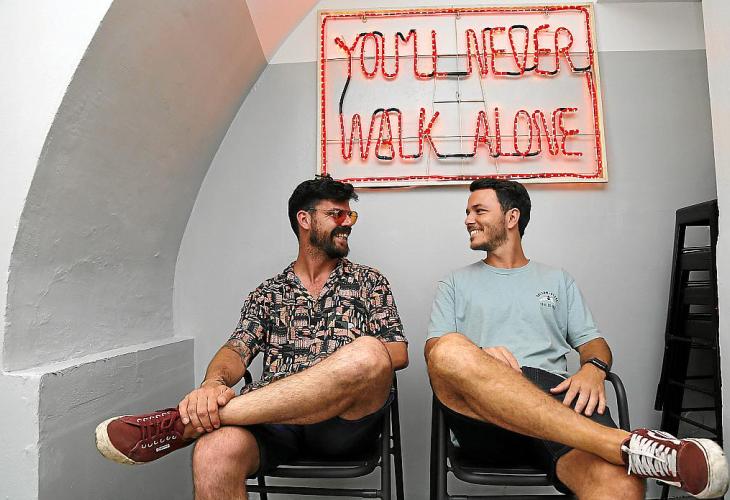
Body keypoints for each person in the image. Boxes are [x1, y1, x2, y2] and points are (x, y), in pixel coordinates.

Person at [95, 175, 408, 500]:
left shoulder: (369, 282)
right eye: (336, 215)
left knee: (370, 353)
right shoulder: (268, 293)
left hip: (342, 426)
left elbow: (397, 353)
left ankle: (187, 423)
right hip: (274, 423)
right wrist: (212, 384)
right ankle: (203, 422)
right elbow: (236, 349)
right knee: (213, 451)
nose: (347, 223)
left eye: (350, 215)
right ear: (304, 219)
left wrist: (325, 376)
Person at [425, 178, 728, 499]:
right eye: (467, 212)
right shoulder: (454, 283)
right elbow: (435, 353)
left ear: (511, 217)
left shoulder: (558, 280)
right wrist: (480, 355)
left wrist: (594, 368)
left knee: (622, 486)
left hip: (557, 400)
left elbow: (594, 343)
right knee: (448, 349)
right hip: (485, 415)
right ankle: (621, 445)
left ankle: (620, 449)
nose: (468, 220)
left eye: (479, 211)